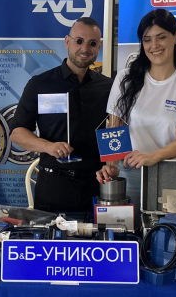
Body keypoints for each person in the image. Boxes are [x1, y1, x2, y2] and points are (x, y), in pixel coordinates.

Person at [10, 17, 111, 213]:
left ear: (98, 47)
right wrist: (49, 146)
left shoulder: (108, 87)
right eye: (79, 41)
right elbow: (17, 133)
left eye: (92, 43)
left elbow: (116, 131)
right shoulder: (40, 84)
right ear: (67, 41)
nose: (85, 48)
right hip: (54, 188)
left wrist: (112, 164)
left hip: (97, 186)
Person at [97, 9, 176, 184]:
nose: (154, 45)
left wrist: (152, 156)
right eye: (147, 40)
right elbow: (113, 129)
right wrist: (111, 166)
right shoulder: (125, 79)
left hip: (172, 175)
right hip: (131, 174)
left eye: (161, 37)